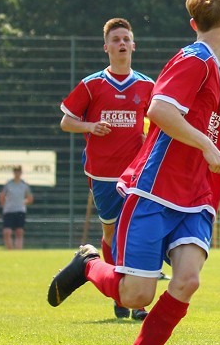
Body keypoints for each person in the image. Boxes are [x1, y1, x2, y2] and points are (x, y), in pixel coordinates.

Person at [47, 0, 220, 345]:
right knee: (136, 296)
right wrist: (208, 146)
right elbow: (160, 110)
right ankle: (89, 263)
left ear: (193, 22)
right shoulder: (196, 59)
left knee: (187, 280)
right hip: (155, 191)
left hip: (194, 196)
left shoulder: (210, 64)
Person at [60, 17, 154, 320]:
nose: (122, 43)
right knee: (112, 233)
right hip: (101, 174)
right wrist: (90, 126)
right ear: (106, 47)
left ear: (134, 45)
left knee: (134, 233)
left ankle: (136, 302)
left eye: (126, 39)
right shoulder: (92, 84)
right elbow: (66, 121)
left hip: (136, 174)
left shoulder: (147, 85)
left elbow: (158, 122)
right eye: (116, 39)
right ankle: (118, 292)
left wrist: (149, 137)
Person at [0, 165, 33, 250]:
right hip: (9, 211)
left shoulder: (24, 185)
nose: (17, 173)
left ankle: (18, 252)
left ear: (21, 172)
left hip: (20, 211)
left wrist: (23, 202)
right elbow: (2, 196)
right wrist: (5, 206)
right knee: (7, 232)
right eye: (15, 171)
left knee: (19, 232)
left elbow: (30, 198)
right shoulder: (8, 184)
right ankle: (10, 251)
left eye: (18, 171)